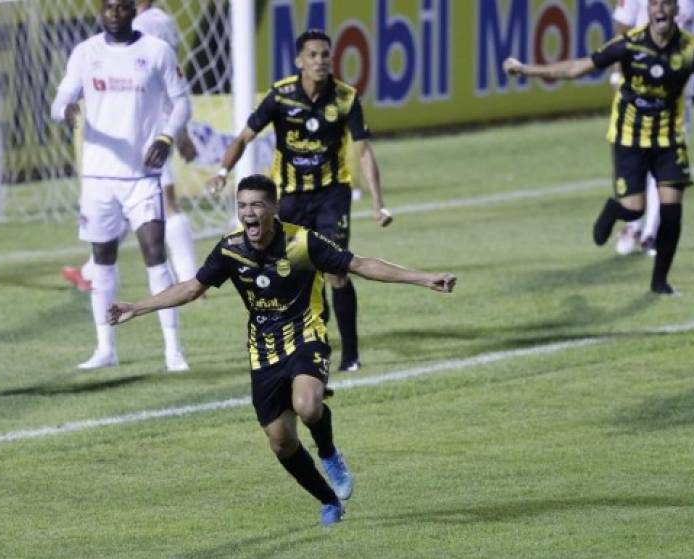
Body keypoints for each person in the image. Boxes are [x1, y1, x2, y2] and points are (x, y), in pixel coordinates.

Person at [108, 174, 457, 526]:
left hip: (307, 334)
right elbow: (191, 288)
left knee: (307, 405)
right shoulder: (230, 250)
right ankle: (328, 500)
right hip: (263, 352)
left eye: (257, 205)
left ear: (274, 208)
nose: (249, 213)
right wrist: (137, 307)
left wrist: (424, 278)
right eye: (242, 206)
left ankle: (329, 453)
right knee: (281, 442)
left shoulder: (303, 242)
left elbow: (360, 265)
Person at [207, 29, 392, 372]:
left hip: (331, 196)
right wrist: (222, 170)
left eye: (325, 54)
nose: (320, 61)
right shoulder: (281, 96)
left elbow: (363, 151)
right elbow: (245, 136)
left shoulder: (345, 97)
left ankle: (350, 356)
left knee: (337, 271)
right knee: (293, 272)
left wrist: (377, 202)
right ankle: (305, 345)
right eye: (313, 55)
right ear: (299, 61)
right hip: (289, 198)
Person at [503, 0, 694, 294]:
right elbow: (575, 67)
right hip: (629, 138)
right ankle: (613, 211)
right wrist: (526, 70)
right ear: (648, 10)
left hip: (668, 139)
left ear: (676, 11)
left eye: (666, 4)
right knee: (634, 211)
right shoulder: (629, 44)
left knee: (672, 212)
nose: (660, 10)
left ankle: (660, 281)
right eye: (655, 4)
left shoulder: (690, 48)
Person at [50, 0, 192, 371]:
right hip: (97, 178)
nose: (114, 13)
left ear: (133, 11)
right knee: (102, 261)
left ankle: (173, 350)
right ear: (101, 11)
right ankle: (105, 347)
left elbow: (181, 104)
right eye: (108, 7)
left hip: (142, 176)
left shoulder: (156, 51)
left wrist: (166, 137)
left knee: (154, 255)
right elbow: (59, 100)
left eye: (121, 7)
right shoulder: (86, 53)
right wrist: (67, 110)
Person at [61, 0, 201, 293]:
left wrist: (177, 134)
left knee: (164, 202)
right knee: (137, 206)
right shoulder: (162, 19)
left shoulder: (145, 27)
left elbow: (166, 84)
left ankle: (189, 280)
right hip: (153, 130)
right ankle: (90, 270)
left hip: (145, 134)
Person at [611, 0, 694, 256]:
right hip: (641, 79)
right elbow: (623, 24)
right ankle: (632, 225)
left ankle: (651, 233)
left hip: (679, 83)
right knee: (635, 150)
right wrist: (617, 74)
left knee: (667, 152)